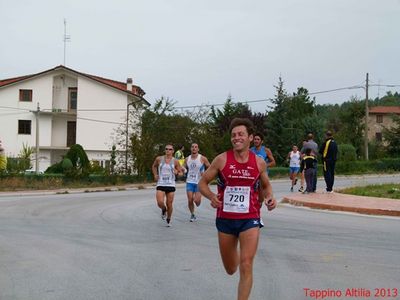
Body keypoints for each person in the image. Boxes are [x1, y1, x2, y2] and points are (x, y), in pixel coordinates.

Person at [198, 118, 277, 300]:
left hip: (250, 218)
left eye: (241, 134)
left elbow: (266, 186)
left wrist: (270, 197)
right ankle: (237, 256)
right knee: (231, 269)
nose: (236, 138)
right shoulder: (221, 160)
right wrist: (211, 196)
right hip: (225, 220)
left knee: (246, 264)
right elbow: (202, 183)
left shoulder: (259, 162)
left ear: (250, 138)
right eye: (233, 135)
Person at [152, 144, 183, 227]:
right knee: (160, 202)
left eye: (170, 149)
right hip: (161, 183)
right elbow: (154, 166)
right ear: (165, 150)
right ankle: (163, 209)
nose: (168, 151)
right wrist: (155, 175)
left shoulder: (175, 161)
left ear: (173, 151)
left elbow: (181, 173)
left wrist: (177, 173)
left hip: (171, 184)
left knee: (169, 204)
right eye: (166, 149)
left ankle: (169, 219)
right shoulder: (159, 159)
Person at [184, 143, 211, 222]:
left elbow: (210, 167)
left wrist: (205, 174)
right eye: (192, 147)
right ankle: (192, 214)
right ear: (190, 149)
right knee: (190, 200)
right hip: (189, 181)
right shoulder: (187, 159)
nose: (194, 148)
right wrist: (182, 170)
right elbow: (183, 168)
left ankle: (198, 200)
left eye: (196, 147)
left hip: (199, 182)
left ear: (198, 149)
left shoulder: (202, 158)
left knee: (197, 201)